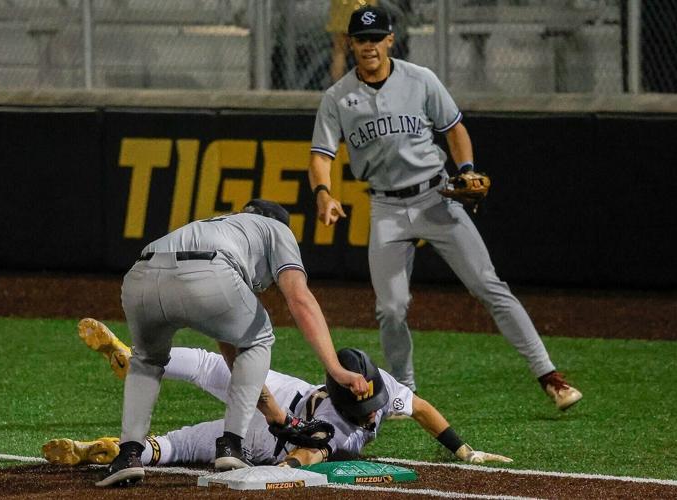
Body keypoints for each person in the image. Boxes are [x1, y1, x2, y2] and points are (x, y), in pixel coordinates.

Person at [308, 6, 582, 411]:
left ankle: (549, 376)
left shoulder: (420, 79)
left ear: (389, 40)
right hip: (386, 206)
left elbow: (454, 128)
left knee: (489, 285)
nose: (369, 46)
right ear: (351, 44)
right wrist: (324, 195)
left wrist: (466, 169)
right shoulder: (337, 98)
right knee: (391, 308)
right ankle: (404, 392)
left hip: (436, 195)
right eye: (361, 39)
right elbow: (321, 156)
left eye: (376, 38)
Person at [96, 199, 369, 487]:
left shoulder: (217, 226)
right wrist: (336, 370)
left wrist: (273, 413)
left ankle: (128, 454)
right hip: (208, 273)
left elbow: (231, 346)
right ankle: (232, 445)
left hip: (139, 277)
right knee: (260, 336)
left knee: (147, 361)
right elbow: (299, 299)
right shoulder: (277, 229)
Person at [42, 319, 512, 469]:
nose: (372, 413)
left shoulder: (370, 385)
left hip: (290, 394)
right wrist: (275, 475)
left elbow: (423, 409)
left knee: (214, 365)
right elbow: (308, 458)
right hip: (275, 437)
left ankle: (137, 357)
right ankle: (119, 450)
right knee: (184, 444)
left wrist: (464, 450)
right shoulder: (343, 425)